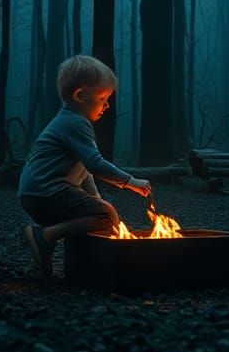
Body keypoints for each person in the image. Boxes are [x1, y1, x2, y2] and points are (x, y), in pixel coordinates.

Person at [19, 55, 152, 278]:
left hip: (35, 193)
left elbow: (84, 171)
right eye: (102, 98)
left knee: (96, 213)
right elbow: (95, 163)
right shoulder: (75, 123)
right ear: (80, 96)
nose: (107, 105)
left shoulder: (70, 122)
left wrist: (96, 198)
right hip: (47, 192)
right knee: (107, 217)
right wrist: (130, 182)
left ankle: (40, 264)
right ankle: (44, 236)